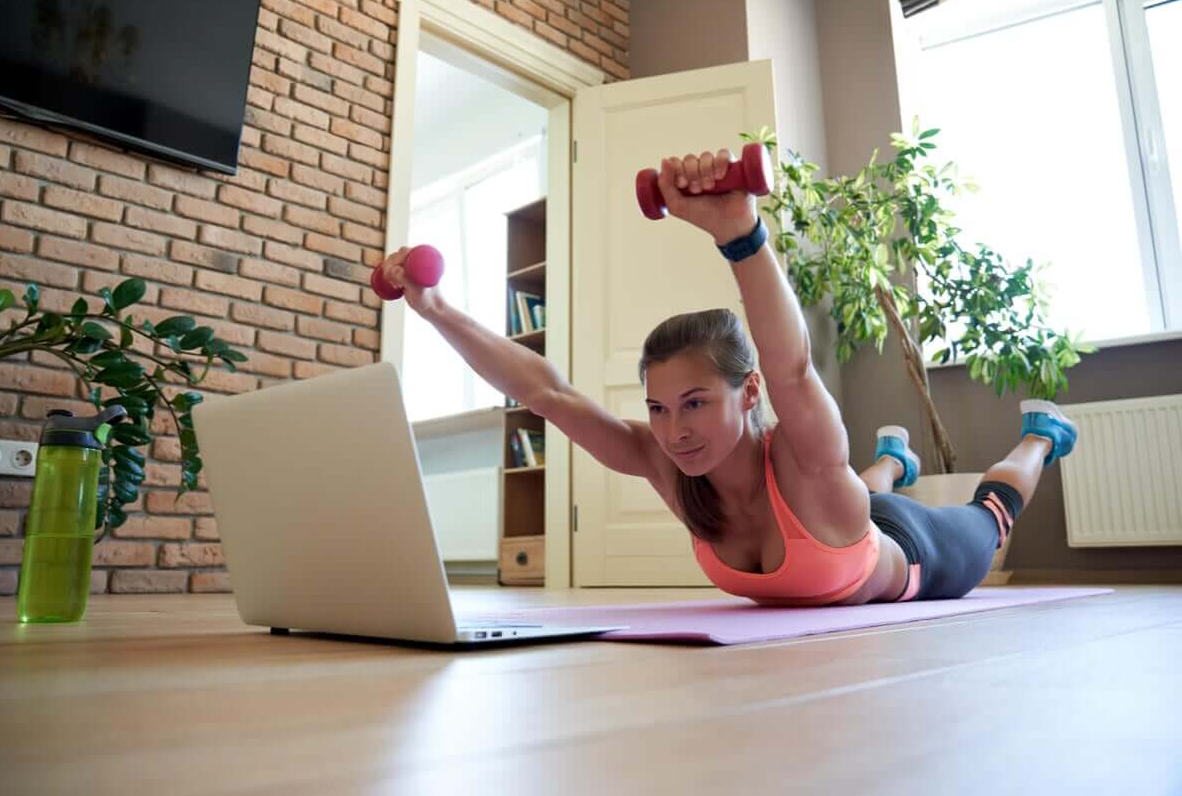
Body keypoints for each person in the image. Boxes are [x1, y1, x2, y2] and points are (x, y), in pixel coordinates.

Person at [379, 147, 1079, 606]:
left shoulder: (801, 450)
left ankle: (1040, 436)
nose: (673, 431)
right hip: (838, 511)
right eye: (658, 408)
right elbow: (546, 393)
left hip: (913, 553)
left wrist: (740, 236)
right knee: (849, 493)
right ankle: (892, 461)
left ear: (748, 393)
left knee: (990, 516)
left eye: (694, 403)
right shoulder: (666, 465)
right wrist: (435, 310)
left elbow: (792, 368)